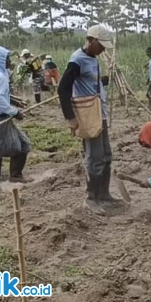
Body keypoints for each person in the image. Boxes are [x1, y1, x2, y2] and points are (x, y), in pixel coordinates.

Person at [58, 24, 120, 214]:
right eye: (100, 45)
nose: (102, 49)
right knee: (94, 157)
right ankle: (91, 198)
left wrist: (103, 82)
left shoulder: (93, 58)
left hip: (99, 113)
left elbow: (89, 82)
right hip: (87, 115)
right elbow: (63, 89)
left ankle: (104, 194)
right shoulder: (77, 60)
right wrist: (70, 118)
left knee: (106, 156)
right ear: (91, 40)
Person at [0, 46, 32, 189]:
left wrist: (11, 101)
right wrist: (14, 112)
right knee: (21, 146)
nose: (10, 61)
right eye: (7, 58)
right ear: (1, 60)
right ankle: (11, 178)